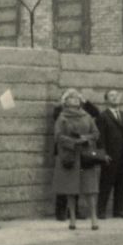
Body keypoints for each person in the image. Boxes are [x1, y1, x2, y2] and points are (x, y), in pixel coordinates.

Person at [52, 89, 101, 230]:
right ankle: (72, 218)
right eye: (71, 97)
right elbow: (58, 136)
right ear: (65, 101)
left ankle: (94, 218)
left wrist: (85, 138)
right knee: (71, 189)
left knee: (90, 189)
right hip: (69, 156)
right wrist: (73, 142)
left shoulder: (87, 116)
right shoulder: (61, 118)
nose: (75, 99)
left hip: (85, 156)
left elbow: (96, 133)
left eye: (77, 97)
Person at [97, 89, 123, 219]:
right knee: (106, 183)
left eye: (116, 95)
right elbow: (100, 138)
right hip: (110, 155)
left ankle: (118, 210)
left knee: (121, 183)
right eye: (111, 96)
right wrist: (103, 154)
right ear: (106, 100)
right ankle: (100, 210)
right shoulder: (103, 116)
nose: (115, 98)